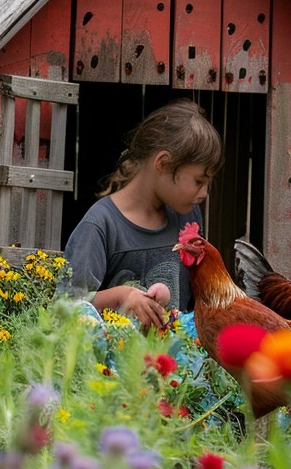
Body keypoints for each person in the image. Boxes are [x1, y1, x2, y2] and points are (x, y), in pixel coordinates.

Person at [64, 98, 222, 330]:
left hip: (177, 363)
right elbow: (66, 308)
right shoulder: (101, 225)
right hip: (113, 364)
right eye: (199, 181)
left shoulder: (188, 217)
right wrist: (122, 296)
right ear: (163, 163)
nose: (205, 193)